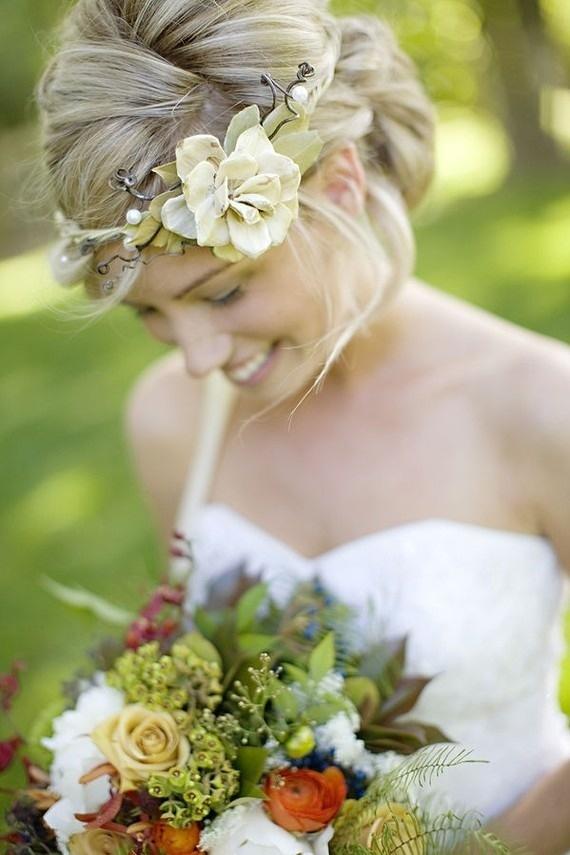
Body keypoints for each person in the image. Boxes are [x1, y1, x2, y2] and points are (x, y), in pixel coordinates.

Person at [35, 0, 570, 851]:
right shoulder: (170, 416)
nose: (198, 356)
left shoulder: (544, 406)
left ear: (343, 186)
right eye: (150, 313)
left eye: (222, 292)